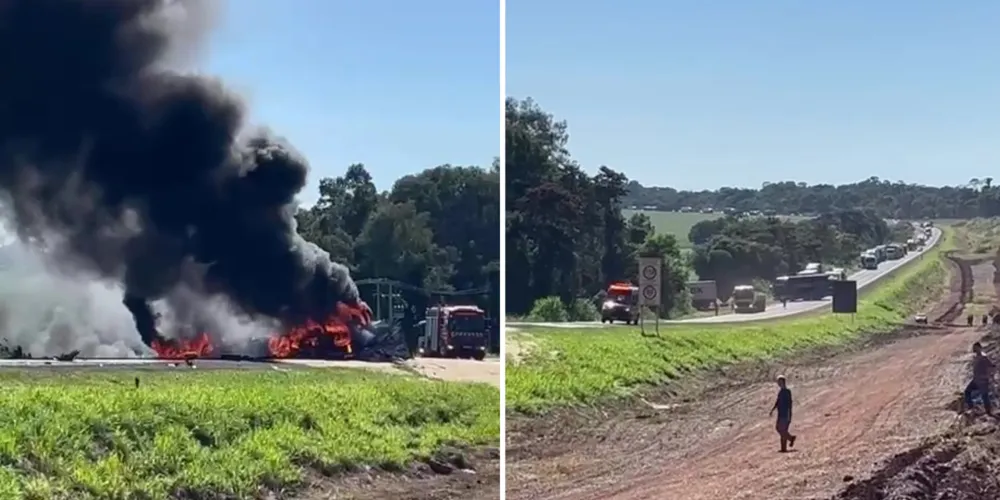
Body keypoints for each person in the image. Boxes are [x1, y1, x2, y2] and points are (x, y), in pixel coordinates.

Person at [964, 342, 995, 415]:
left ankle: (988, 412)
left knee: (985, 396)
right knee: (967, 392)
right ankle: (971, 408)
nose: (974, 349)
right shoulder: (976, 357)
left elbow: (992, 366)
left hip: (982, 380)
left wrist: (988, 376)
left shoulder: (983, 357)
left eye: (975, 348)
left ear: (979, 348)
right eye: (973, 348)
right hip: (976, 379)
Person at [769, 375, 797, 452]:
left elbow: (789, 404)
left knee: (780, 429)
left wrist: (789, 414)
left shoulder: (787, 392)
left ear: (782, 382)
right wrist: (773, 409)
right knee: (782, 430)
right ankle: (783, 448)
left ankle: (791, 438)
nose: (778, 383)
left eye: (779, 381)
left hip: (785, 414)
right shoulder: (781, 392)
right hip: (781, 413)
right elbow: (777, 402)